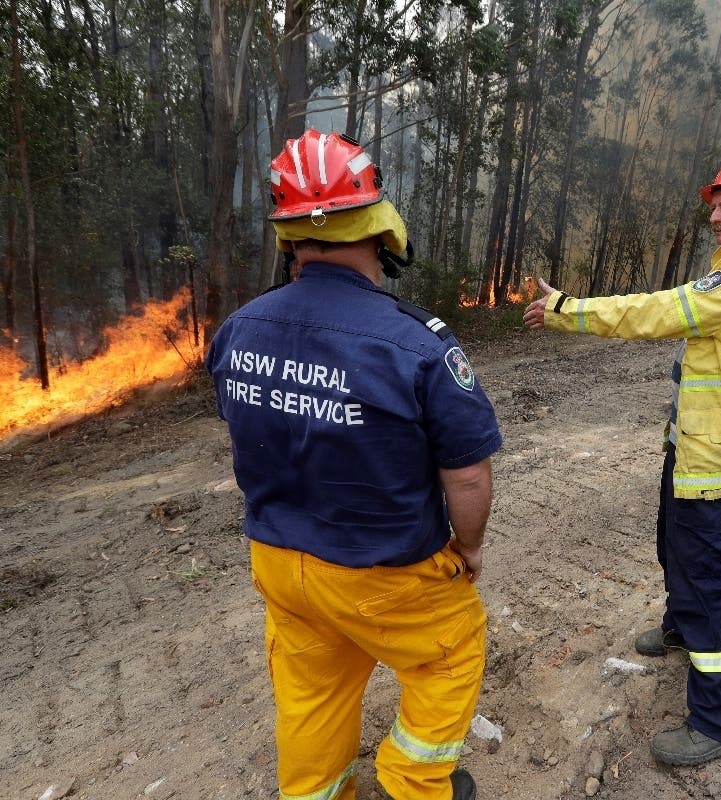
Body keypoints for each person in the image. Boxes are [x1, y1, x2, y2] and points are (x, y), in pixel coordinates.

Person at [205, 129, 501, 800]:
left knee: (311, 690)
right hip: (384, 569)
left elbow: (259, 424)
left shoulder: (240, 328)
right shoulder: (416, 343)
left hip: (281, 563)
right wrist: (470, 546)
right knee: (449, 654)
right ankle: (413, 781)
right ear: (378, 227)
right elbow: (468, 473)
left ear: (287, 237)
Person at [523, 149, 721, 767]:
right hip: (699, 444)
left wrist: (570, 310)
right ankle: (681, 626)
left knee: (706, 575)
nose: (716, 216)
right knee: (675, 545)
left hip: (714, 452)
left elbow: (661, 311)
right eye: (715, 205)